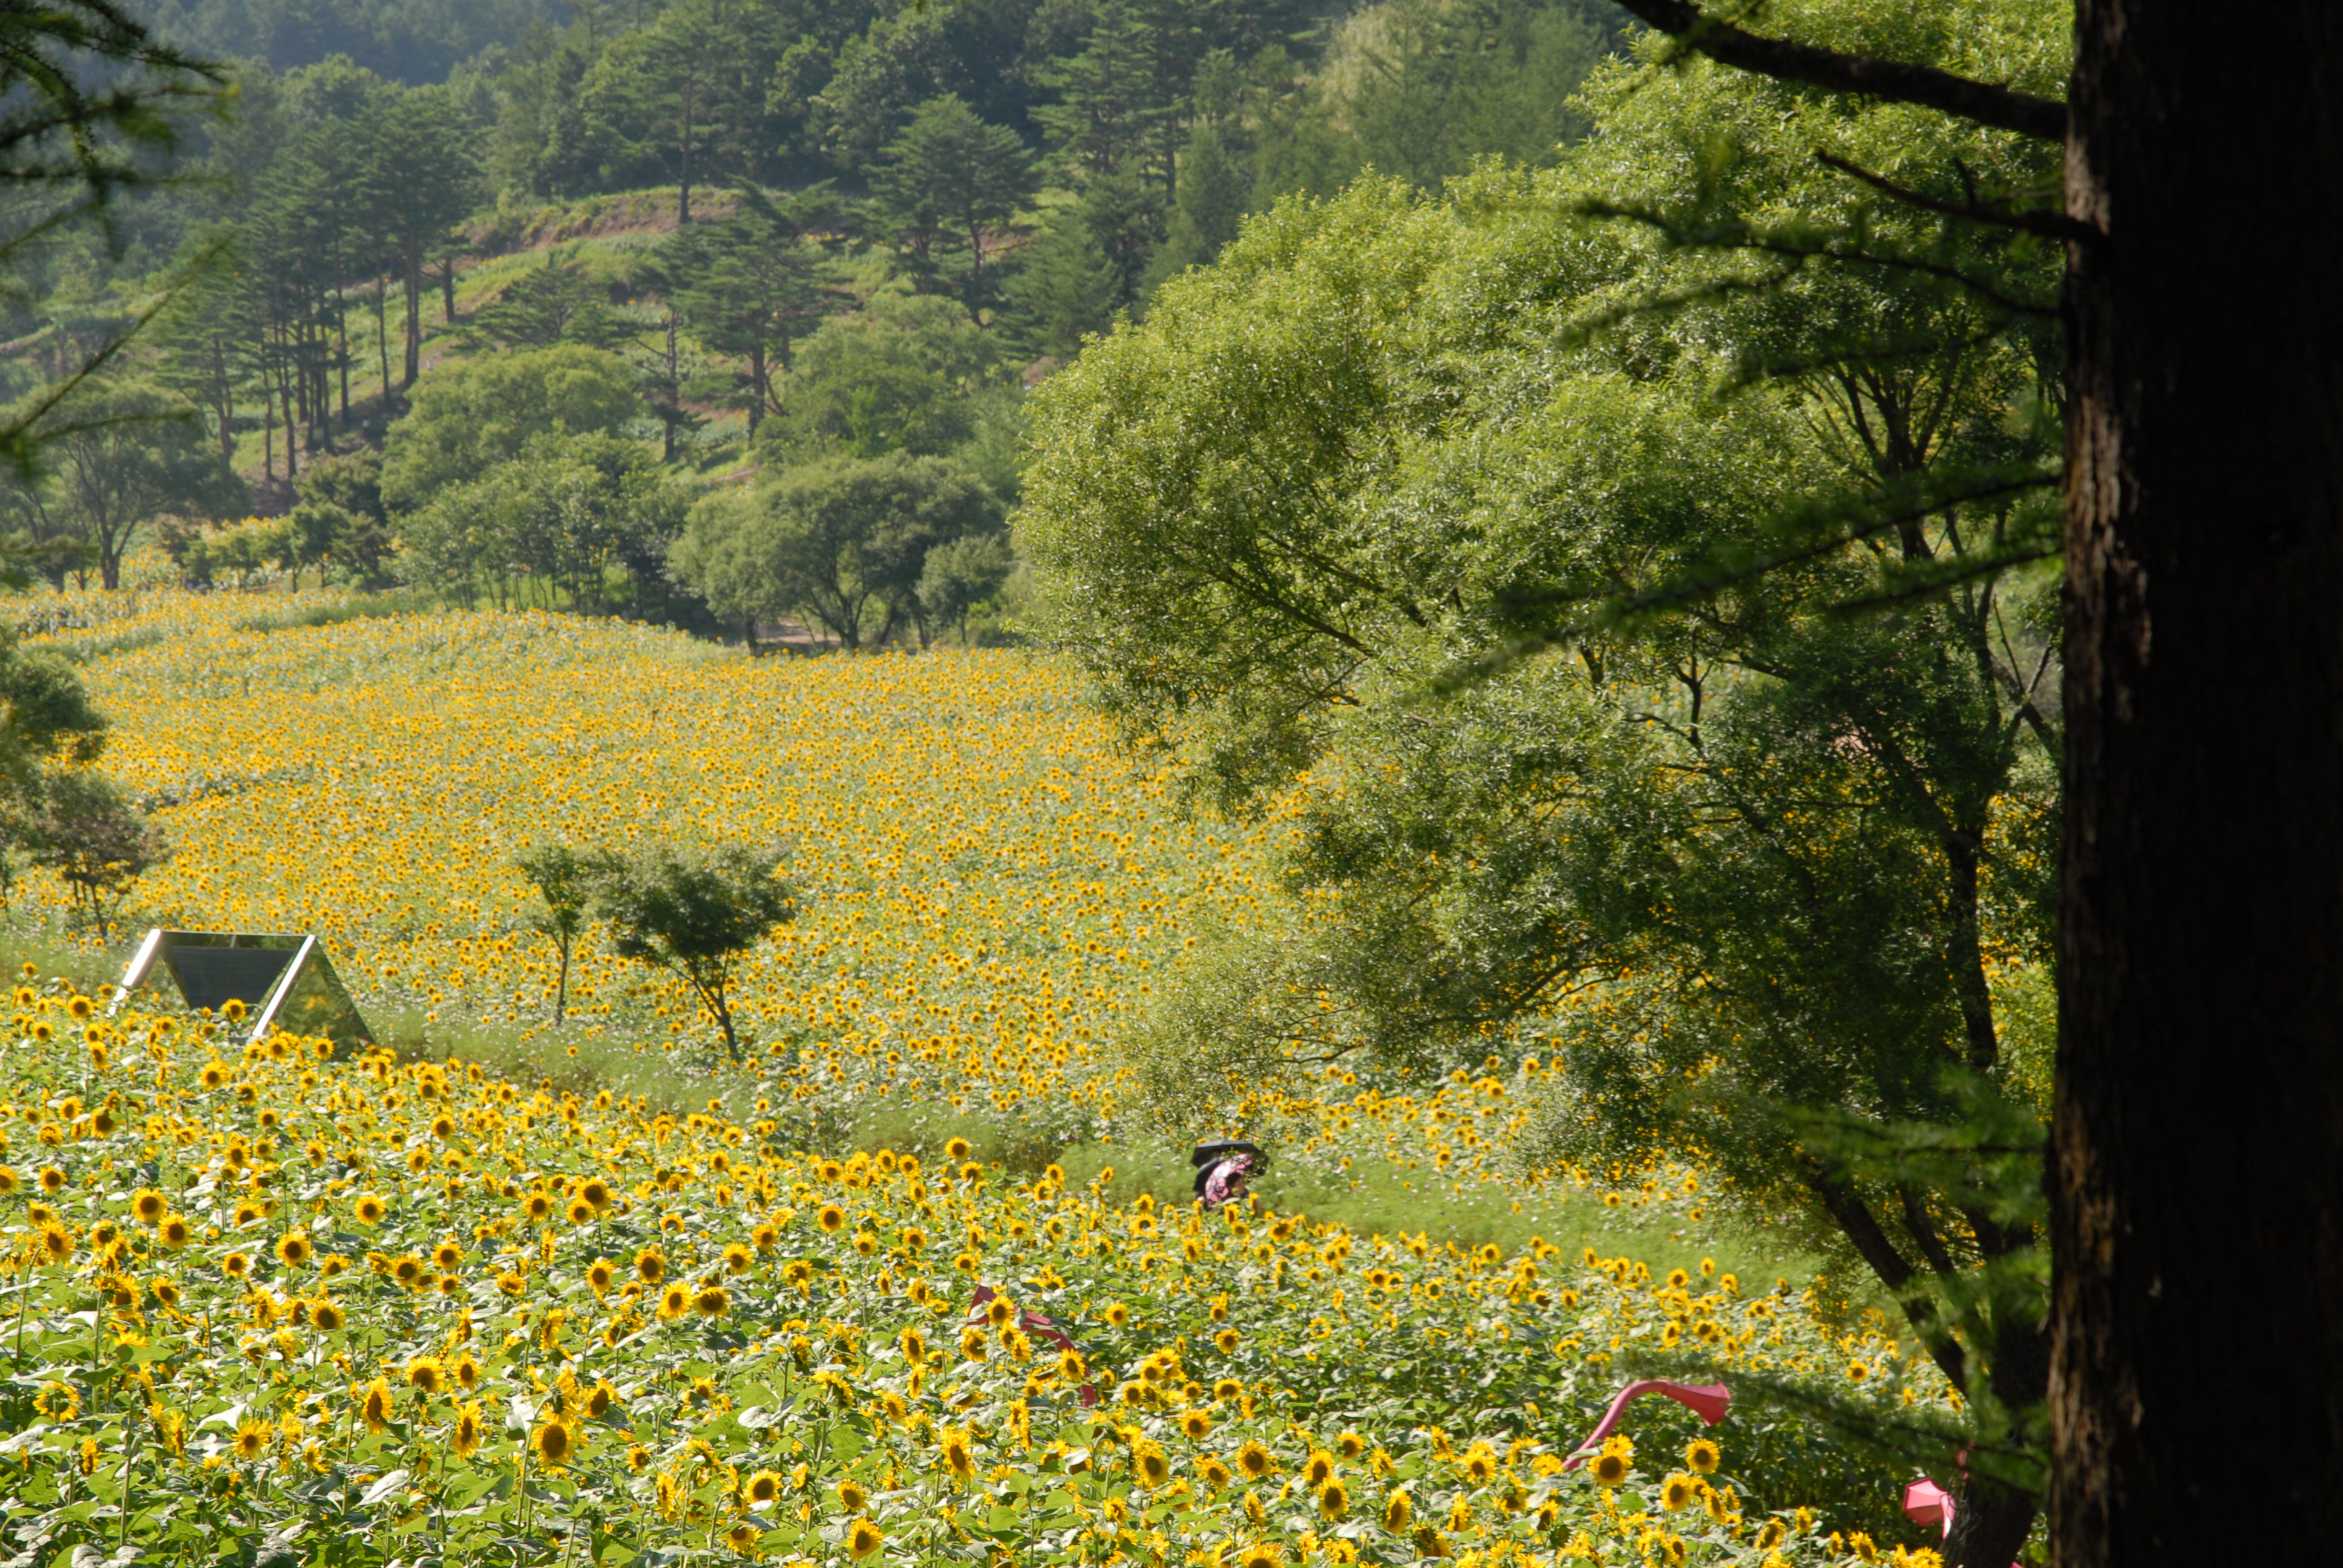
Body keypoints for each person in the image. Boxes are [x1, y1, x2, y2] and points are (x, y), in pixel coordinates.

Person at [1191, 1139, 1266, 1210]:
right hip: (1217, 1212)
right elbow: (1200, 1200)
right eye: (1214, 1158)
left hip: (1236, 1211)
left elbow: (1244, 1193)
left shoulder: (1231, 1173)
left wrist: (1250, 1200)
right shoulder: (1205, 1178)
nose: (1216, 1160)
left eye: (1218, 1157)